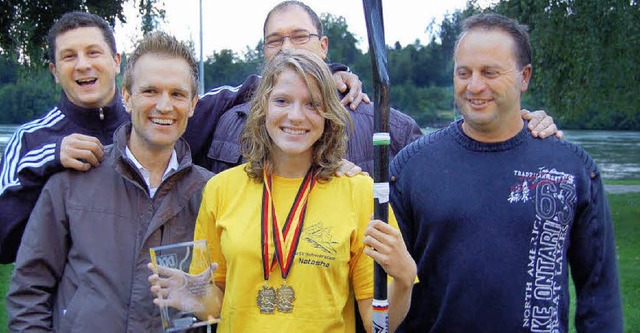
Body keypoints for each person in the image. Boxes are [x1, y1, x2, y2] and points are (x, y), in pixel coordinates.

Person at [149, 49, 417, 333]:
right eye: (282, 101)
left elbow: (376, 325)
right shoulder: (221, 189)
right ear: (264, 106)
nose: (296, 116)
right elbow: (219, 303)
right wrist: (192, 297)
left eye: (312, 104)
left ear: (328, 112)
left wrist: (403, 279)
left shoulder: (359, 192)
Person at [389, 13, 623, 332]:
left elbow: (599, 297)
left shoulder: (572, 169)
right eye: (464, 72)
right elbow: (377, 287)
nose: (475, 85)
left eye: (490, 72)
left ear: (524, 76)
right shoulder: (411, 168)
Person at [188, 0, 562, 175]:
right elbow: (151, 134)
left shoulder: (387, 125)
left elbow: (456, 165)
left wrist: (515, 127)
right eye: (275, 40)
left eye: (299, 36)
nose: (287, 47)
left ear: (323, 46)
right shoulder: (225, 115)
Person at [6, 31, 212, 331]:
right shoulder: (71, 181)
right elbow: (29, 289)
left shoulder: (212, 192)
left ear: (193, 104)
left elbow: (227, 298)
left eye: (177, 94)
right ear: (127, 97)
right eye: (150, 91)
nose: (165, 106)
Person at [0, 11, 131, 263]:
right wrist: (48, 159)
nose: (82, 64)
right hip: (69, 300)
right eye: (69, 56)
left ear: (116, 61)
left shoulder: (149, 125)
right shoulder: (30, 140)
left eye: (93, 52)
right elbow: (4, 244)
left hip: (149, 297)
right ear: (55, 71)